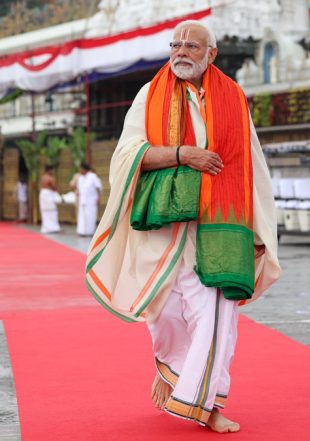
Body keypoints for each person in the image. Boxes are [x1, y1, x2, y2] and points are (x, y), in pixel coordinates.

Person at [84, 20, 280, 432]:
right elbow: (126, 157)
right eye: (175, 44)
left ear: (211, 55)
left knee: (216, 317)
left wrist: (258, 230)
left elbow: (252, 166)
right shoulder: (149, 94)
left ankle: (206, 404)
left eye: (192, 45)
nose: (181, 52)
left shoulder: (233, 96)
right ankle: (173, 370)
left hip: (219, 225)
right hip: (164, 227)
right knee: (164, 313)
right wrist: (181, 154)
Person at [75, 162, 102, 236]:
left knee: (90, 216)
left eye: (81, 169)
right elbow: (79, 188)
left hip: (91, 200)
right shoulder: (80, 178)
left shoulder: (93, 176)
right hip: (82, 200)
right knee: (82, 216)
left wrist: (99, 198)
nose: (80, 170)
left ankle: (90, 232)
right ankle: (82, 232)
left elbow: (98, 187)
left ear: (84, 169)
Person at [39, 165, 61, 233]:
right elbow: (53, 187)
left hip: (43, 194)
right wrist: (58, 192)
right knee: (52, 210)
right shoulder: (50, 178)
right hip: (48, 194)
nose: (53, 172)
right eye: (52, 170)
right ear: (49, 170)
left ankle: (46, 228)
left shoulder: (42, 177)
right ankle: (52, 228)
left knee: (46, 211)